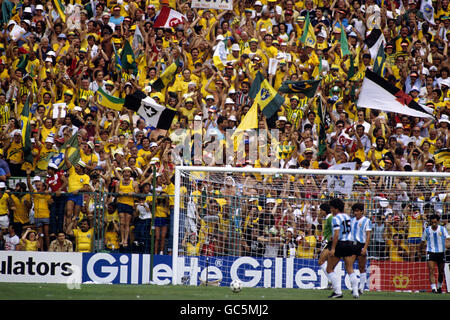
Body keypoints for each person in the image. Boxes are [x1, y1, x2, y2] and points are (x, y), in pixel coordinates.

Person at [326, 198, 359, 298]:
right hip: (349, 243)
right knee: (349, 268)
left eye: (332, 208)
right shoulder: (347, 217)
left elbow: (336, 234)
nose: (331, 210)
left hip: (340, 244)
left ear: (335, 208)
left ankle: (338, 291)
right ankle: (356, 291)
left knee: (329, 268)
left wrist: (333, 248)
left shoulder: (336, 218)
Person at [420, 214, 450, 293]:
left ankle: (439, 287)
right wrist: (421, 249)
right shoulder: (427, 230)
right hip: (431, 252)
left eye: (435, 222)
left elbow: (448, 238)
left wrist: (447, 244)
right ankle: (433, 288)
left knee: (441, 272)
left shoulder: (442, 229)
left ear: (438, 222)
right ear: (430, 222)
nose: (434, 224)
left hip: (441, 253)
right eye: (432, 222)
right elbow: (423, 241)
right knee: (431, 270)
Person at [350, 202, 372, 295]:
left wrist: (365, 248)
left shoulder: (367, 221)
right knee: (349, 266)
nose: (356, 213)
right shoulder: (351, 220)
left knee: (361, 267)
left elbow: (368, 236)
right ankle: (354, 287)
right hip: (352, 245)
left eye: (357, 211)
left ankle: (361, 288)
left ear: (362, 212)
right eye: (354, 211)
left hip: (361, 245)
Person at [115, 166, 139, 248]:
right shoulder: (119, 183)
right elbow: (116, 192)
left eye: (128, 172)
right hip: (121, 203)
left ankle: (125, 240)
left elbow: (137, 193)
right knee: (122, 222)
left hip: (129, 203)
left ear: (130, 174)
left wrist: (133, 193)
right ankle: (122, 239)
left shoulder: (134, 183)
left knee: (127, 223)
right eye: (125, 172)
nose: (126, 173)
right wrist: (119, 192)